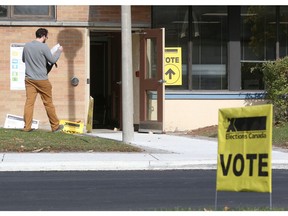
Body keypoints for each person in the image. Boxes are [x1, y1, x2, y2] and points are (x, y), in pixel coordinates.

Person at [22, 28, 64, 132]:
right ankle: (55, 126)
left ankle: (27, 127)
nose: (46, 38)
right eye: (47, 37)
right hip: (42, 80)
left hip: (29, 79)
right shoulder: (44, 46)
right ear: (44, 36)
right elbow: (53, 60)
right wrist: (59, 51)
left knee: (29, 103)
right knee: (48, 103)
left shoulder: (27, 46)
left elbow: (23, 60)